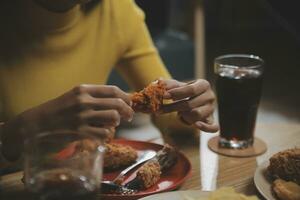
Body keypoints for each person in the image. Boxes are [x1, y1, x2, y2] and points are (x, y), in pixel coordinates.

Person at [0, 0, 218, 163]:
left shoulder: (115, 8)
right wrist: (22, 130)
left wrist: (190, 109)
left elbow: (168, 111)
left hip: (85, 183)